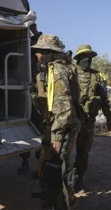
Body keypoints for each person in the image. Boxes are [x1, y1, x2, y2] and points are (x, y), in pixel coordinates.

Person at [31, 34, 81, 210]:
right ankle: (51, 203)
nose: (37, 55)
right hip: (53, 125)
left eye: (41, 51)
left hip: (62, 128)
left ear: (50, 53)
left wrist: (57, 136)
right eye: (37, 51)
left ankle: (66, 205)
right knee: (47, 168)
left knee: (58, 171)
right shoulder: (51, 70)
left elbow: (63, 106)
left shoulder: (58, 71)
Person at [72, 44, 111, 192]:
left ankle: (79, 178)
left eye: (90, 57)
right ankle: (65, 178)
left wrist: (109, 119)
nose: (87, 60)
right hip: (71, 119)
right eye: (84, 57)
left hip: (88, 120)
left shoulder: (97, 76)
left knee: (83, 150)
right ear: (78, 58)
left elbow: (104, 99)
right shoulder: (71, 73)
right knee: (66, 150)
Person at [17, 23, 44, 175]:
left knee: (40, 130)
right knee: (27, 130)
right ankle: (25, 161)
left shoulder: (44, 60)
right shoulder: (29, 54)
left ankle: (39, 165)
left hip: (40, 99)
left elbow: (42, 42)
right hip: (30, 95)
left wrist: (35, 31)